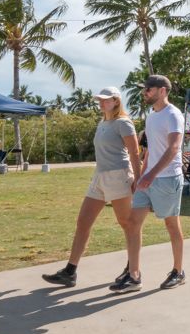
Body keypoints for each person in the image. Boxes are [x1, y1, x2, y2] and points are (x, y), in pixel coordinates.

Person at [42, 87, 141, 287]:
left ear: (116, 101)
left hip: (118, 176)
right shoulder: (103, 123)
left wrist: (137, 180)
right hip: (99, 177)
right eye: (100, 100)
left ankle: (133, 272)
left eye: (105, 100)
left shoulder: (124, 123)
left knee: (128, 224)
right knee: (83, 222)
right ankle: (70, 272)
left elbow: (135, 153)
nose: (101, 103)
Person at [112, 74, 186, 293]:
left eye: (149, 89)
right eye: (145, 89)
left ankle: (178, 272)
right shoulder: (151, 116)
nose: (145, 92)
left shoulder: (174, 115)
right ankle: (134, 276)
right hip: (149, 179)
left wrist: (151, 175)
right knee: (133, 223)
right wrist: (141, 175)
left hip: (167, 178)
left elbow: (173, 149)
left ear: (162, 90)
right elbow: (151, 150)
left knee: (172, 225)